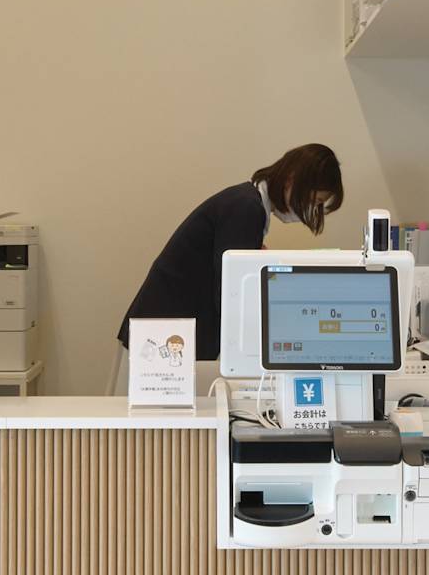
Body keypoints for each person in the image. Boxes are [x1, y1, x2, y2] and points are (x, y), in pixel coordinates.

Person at [113, 143, 345, 391]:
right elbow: (230, 293)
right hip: (162, 339)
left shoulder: (245, 202)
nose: (313, 210)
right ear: (292, 180)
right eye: (314, 201)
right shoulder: (246, 208)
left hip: (162, 333)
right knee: (143, 414)